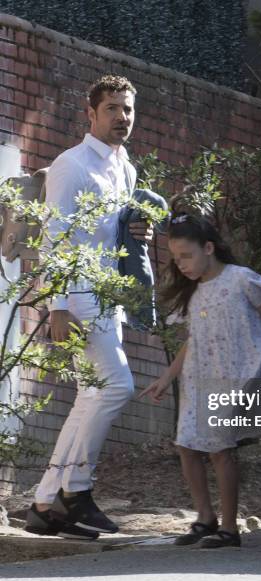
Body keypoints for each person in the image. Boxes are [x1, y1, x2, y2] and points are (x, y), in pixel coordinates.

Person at [25, 75, 154, 540]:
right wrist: (57, 306)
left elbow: (114, 230)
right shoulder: (71, 165)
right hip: (77, 296)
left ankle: (45, 502)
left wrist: (138, 232)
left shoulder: (126, 166)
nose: (123, 117)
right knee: (117, 386)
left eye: (128, 110)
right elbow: (55, 238)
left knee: (91, 395)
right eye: (113, 109)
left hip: (108, 294)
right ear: (92, 113)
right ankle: (75, 493)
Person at [139, 214, 261, 548]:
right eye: (176, 258)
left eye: (187, 255)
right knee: (186, 445)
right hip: (199, 379)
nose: (181, 264)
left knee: (221, 449)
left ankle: (230, 527)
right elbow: (191, 340)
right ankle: (205, 517)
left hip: (238, 375)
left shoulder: (241, 279)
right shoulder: (192, 293)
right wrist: (168, 376)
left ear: (208, 248)